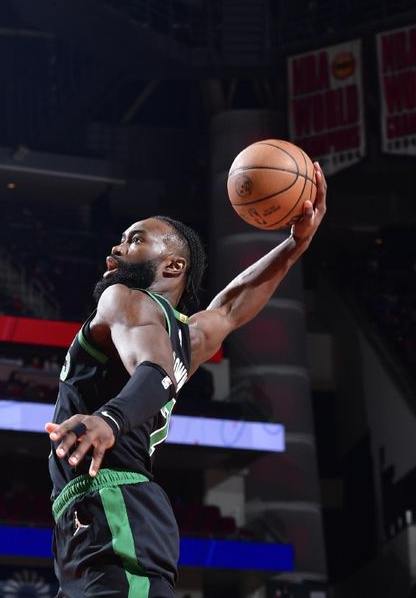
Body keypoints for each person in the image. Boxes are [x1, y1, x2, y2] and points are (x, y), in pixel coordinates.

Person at [45, 164, 327, 597]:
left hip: (114, 504)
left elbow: (153, 370)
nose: (116, 249)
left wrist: (111, 421)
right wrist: (294, 245)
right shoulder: (189, 336)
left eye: (135, 239)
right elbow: (232, 307)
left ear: (174, 264)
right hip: (93, 515)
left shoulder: (124, 298)